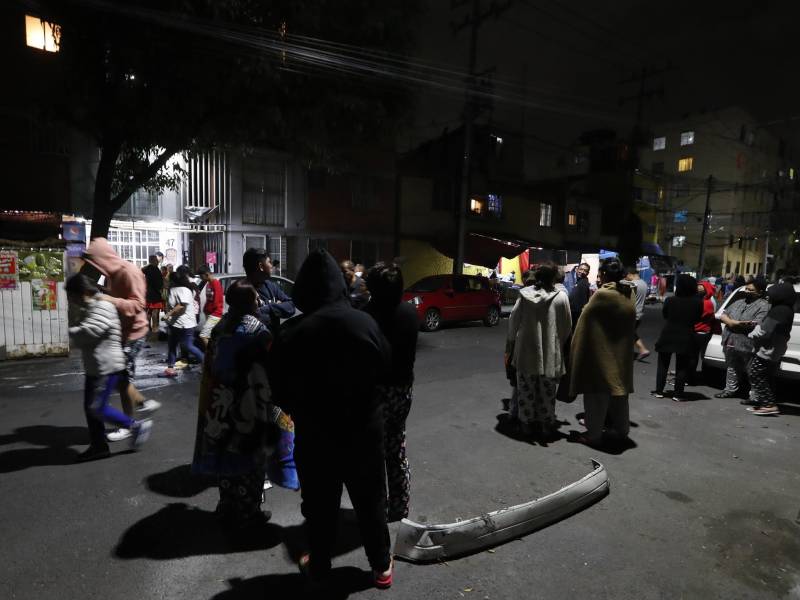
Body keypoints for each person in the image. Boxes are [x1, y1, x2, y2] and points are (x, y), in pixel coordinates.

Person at [271, 249, 393, 589]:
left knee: (320, 505)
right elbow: (386, 368)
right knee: (370, 500)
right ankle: (381, 567)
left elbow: (278, 390)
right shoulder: (365, 323)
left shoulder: (292, 333)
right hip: (364, 432)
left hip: (315, 435)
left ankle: (320, 567)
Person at [192, 280, 287, 524]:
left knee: (226, 454)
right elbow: (267, 369)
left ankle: (226, 504)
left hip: (221, 403)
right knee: (251, 458)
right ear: (248, 302)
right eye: (255, 298)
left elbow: (212, 365)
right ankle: (249, 511)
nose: (259, 302)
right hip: (249, 405)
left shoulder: (221, 326)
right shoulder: (258, 330)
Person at [66, 274, 152, 462]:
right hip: (95, 366)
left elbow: (89, 333)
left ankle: (135, 426)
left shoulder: (102, 306)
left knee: (97, 408)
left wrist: (69, 331)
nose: (71, 300)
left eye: (73, 296)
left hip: (108, 366)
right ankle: (99, 446)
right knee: (91, 409)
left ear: (85, 293)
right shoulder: (87, 307)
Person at [82, 238, 160, 444]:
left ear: (104, 258)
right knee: (121, 378)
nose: (95, 268)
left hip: (134, 333)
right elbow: (117, 297)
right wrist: (103, 295)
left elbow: (137, 305)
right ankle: (140, 408)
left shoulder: (128, 271)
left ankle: (130, 423)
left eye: (95, 263)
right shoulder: (111, 274)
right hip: (121, 333)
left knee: (119, 378)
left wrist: (108, 299)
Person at [364, 262, 419, 522]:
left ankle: (377, 507)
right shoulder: (409, 313)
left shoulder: (368, 315)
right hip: (402, 389)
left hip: (376, 392)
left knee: (372, 453)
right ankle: (400, 505)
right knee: (396, 448)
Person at [569, 258, 636, 446]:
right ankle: (622, 430)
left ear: (604, 274)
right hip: (621, 355)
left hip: (601, 355)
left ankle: (593, 434)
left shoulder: (603, 295)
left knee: (596, 395)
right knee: (619, 394)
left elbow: (585, 321)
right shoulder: (628, 294)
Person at [506, 262, 572, 440]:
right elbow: (566, 327)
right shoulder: (561, 297)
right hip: (550, 352)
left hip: (525, 351)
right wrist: (558, 341)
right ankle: (545, 425)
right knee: (547, 392)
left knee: (525, 389)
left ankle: (526, 424)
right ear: (553, 278)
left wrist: (511, 342)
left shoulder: (524, 295)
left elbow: (513, 321)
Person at [746, 283, 797, 416]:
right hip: (775, 347)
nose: (768, 296)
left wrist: (753, 333)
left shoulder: (779, 310)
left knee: (756, 374)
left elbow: (766, 330)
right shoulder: (786, 309)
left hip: (769, 348)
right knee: (766, 375)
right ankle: (765, 403)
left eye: (771, 294)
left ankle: (769, 404)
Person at [714, 277, 770, 399]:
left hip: (747, 343)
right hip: (730, 339)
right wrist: (733, 323)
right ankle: (730, 389)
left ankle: (754, 396)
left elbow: (754, 323)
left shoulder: (764, 306)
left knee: (751, 370)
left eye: (751, 290)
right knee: (731, 366)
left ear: (760, 292)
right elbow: (723, 314)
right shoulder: (739, 301)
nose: (747, 292)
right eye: (747, 289)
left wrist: (733, 323)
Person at [652, 275, 703, 402]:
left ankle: (659, 390)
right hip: (686, 335)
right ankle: (678, 393)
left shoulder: (670, 300)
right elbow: (697, 318)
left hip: (668, 334)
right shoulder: (697, 302)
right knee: (682, 366)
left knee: (663, 364)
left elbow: (665, 315)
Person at [243, 247, 295, 333]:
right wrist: (278, 307)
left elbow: (291, 306)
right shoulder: (242, 291)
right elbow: (254, 320)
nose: (271, 266)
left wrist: (269, 308)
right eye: (269, 262)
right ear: (261, 266)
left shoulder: (270, 286)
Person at [164, 271, 204, 377]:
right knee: (172, 345)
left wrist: (168, 314)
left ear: (173, 280)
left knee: (188, 345)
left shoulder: (184, 290)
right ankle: (170, 368)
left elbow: (181, 306)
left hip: (185, 324)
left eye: (168, 279)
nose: (166, 281)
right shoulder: (173, 290)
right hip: (175, 323)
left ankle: (206, 362)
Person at [691, 280, 717, 383]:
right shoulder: (705, 300)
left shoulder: (706, 302)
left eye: (700, 287)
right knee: (700, 355)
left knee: (694, 356)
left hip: (700, 331)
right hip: (703, 331)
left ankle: (693, 376)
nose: (698, 289)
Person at [626, 266, 651, 361]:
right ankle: (642, 350)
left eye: (626, 276)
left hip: (631, 313)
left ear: (630, 274)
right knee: (630, 333)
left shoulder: (632, 284)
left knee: (627, 334)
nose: (625, 278)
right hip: (639, 313)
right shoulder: (644, 284)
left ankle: (642, 350)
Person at [197, 265, 223, 349]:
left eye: (201, 276)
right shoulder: (209, 284)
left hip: (215, 313)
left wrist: (209, 309)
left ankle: (212, 354)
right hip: (209, 313)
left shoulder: (216, 283)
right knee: (211, 336)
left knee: (203, 335)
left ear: (206, 274)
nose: (201, 278)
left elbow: (217, 300)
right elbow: (209, 299)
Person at [142, 255, 164, 334]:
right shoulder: (154, 269)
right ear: (153, 261)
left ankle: (148, 328)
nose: (158, 261)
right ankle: (155, 328)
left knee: (149, 311)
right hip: (155, 294)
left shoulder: (147, 269)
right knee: (155, 311)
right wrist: (160, 289)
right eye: (156, 260)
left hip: (148, 293)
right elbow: (158, 283)